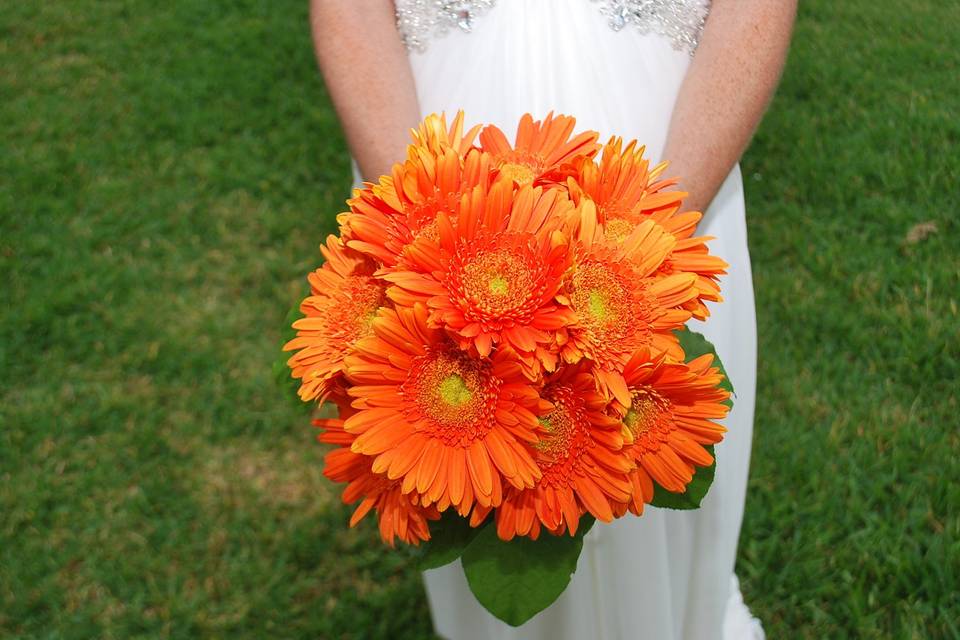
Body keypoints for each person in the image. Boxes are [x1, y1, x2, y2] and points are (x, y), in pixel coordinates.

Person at [310, 1, 796, 638]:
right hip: (424, 138)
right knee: (447, 467)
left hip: (666, 150)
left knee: (653, 458)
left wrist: (646, 248)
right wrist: (417, 225)